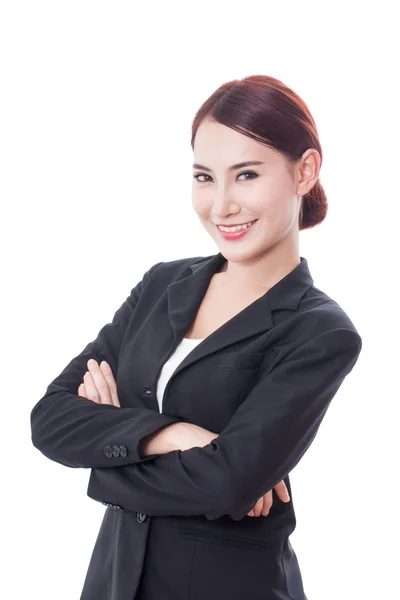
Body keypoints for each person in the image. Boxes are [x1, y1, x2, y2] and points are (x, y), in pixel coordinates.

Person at [30, 74, 362, 600]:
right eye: (205, 177)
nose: (221, 205)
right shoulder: (163, 284)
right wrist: (175, 435)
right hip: (114, 583)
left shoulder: (320, 331)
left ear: (305, 171)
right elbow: (50, 419)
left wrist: (106, 453)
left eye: (247, 174)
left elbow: (228, 481)